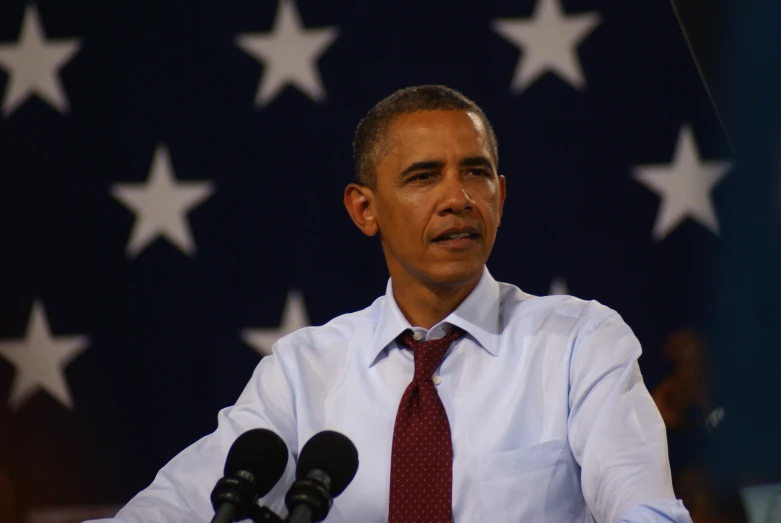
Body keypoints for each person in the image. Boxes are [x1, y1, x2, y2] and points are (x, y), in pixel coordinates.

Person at [90, 85, 692, 522]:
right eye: (424, 176)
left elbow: (645, 511)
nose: (458, 198)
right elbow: (171, 509)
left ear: (501, 197)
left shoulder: (579, 343)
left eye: (476, 173)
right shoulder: (303, 371)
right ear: (364, 209)